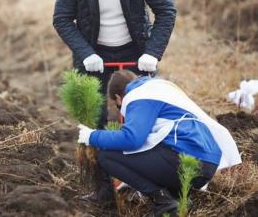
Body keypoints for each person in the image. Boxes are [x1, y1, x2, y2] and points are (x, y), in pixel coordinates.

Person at [53, 0, 176, 200]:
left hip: (135, 52)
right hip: (95, 55)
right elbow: (61, 18)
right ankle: (104, 189)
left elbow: (166, 10)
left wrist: (152, 53)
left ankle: (150, 182)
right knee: (95, 119)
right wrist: (85, 53)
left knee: (142, 117)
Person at [77, 70, 241, 216]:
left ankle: (164, 201)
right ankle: (179, 199)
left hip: (184, 159)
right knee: (158, 152)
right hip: (207, 164)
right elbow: (150, 143)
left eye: (117, 104)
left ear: (119, 98)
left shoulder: (138, 96)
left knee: (107, 156)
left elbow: (132, 139)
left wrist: (92, 136)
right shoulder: (160, 88)